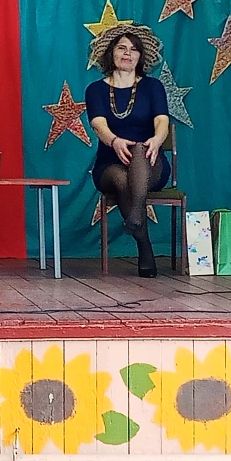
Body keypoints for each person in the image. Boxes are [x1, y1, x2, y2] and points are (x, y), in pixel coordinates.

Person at [84, 24, 170, 278]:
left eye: (133, 49)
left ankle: (137, 223)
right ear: (110, 53)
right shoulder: (96, 90)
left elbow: (162, 121)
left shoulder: (153, 86)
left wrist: (157, 140)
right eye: (122, 48)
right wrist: (114, 141)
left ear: (140, 57)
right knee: (121, 178)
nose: (127, 53)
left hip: (150, 161)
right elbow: (98, 124)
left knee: (140, 150)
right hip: (110, 163)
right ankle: (141, 234)